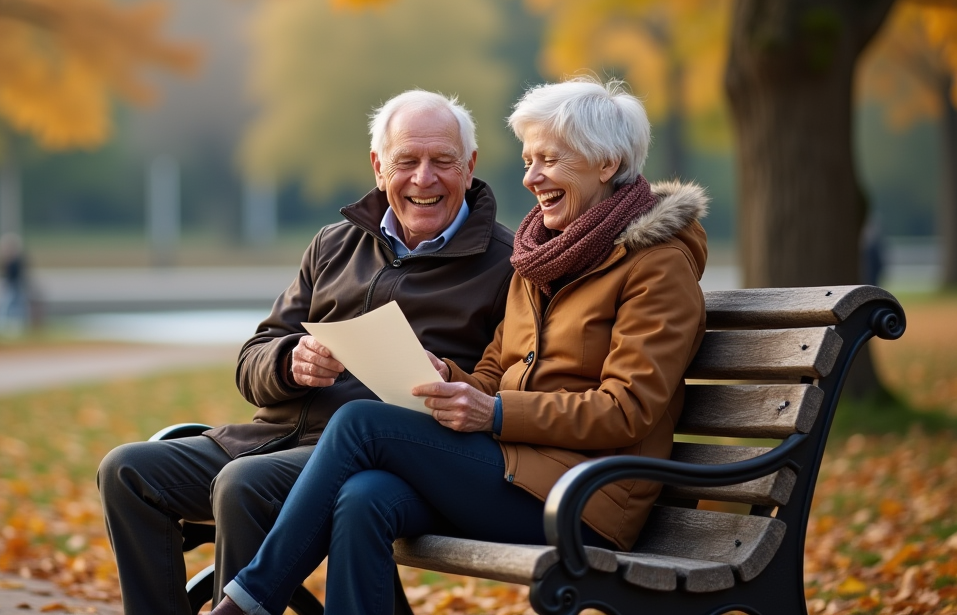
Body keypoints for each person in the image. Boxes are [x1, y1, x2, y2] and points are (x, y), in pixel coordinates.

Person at [209, 77, 710, 615]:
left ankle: (246, 603)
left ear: (606, 164)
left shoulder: (657, 268)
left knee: (360, 422)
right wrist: (444, 375)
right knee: (363, 498)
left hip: (584, 500)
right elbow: (494, 371)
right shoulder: (544, 257)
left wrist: (493, 413)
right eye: (527, 160)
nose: (531, 177)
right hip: (516, 470)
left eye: (548, 160)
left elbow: (625, 411)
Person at [97, 90, 517, 615]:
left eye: (442, 162)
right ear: (378, 167)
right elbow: (253, 358)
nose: (423, 179)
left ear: (470, 165)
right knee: (127, 471)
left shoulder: (507, 264)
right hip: (268, 437)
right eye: (406, 161)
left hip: (376, 460)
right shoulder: (333, 245)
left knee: (241, 485)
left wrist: (448, 379)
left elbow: (504, 383)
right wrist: (290, 360)